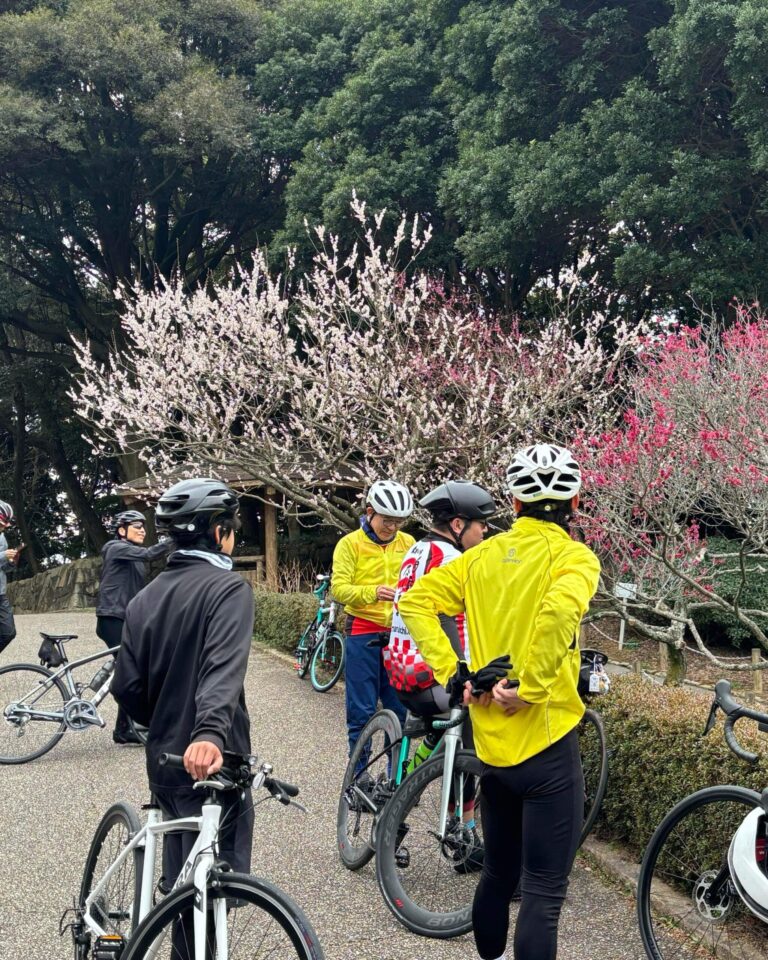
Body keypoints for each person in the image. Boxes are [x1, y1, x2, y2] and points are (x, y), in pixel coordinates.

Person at [397, 444, 601, 960]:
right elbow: (557, 617)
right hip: (548, 747)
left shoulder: (480, 557)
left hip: (491, 747)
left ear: (513, 501)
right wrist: (530, 687)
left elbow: (415, 601)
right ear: (575, 501)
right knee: (542, 894)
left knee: (496, 874)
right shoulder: (574, 557)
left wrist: (456, 675)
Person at [111, 478, 255, 903]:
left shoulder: (143, 599)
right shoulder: (229, 589)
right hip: (213, 761)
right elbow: (221, 668)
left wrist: (163, 722)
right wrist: (209, 732)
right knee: (210, 895)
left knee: (179, 890)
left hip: (165, 760)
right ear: (218, 533)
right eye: (232, 528)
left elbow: (127, 687)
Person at [384, 480, 497, 757]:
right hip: (428, 679)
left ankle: (411, 780)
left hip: (402, 671)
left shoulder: (417, 549)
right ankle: (461, 797)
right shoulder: (450, 558)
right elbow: (446, 619)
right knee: (479, 715)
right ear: (458, 525)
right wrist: (464, 676)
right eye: (480, 523)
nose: (485, 530)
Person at [332, 479, 415, 755]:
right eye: (387, 520)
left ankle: (398, 780)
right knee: (362, 711)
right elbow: (339, 588)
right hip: (362, 630)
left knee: (399, 709)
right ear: (370, 512)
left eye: (399, 521)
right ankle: (358, 779)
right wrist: (373, 592)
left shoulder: (409, 543)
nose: (392, 527)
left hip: (399, 634)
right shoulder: (349, 544)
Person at [96, 508, 172, 743]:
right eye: (136, 527)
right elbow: (150, 553)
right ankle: (124, 729)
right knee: (132, 672)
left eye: (143, 527)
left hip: (124, 618)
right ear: (121, 531)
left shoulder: (133, 557)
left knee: (132, 670)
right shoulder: (116, 548)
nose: (142, 530)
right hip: (112, 618)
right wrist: (178, 536)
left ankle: (124, 730)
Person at [0, 500, 22, 654]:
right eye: (2, 523)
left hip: (0, 593)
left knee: (9, 632)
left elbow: (3, 567)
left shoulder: (2, 538)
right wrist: (2, 555)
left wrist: (12, 562)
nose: (4, 527)